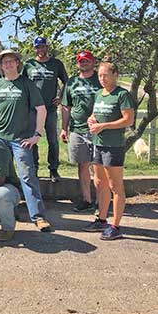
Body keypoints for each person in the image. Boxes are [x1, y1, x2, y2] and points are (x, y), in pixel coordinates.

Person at [0, 49, 52, 232]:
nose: (7, 65)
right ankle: (5, 211)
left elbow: (41, 109)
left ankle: (38, 217)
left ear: (17, 63)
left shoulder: (27, 84)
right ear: (0, 66)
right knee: (0, 177)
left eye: (11, 61)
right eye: (4, 62)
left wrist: (37, 135)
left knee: (27, 176)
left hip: (20, 140)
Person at [83, 58, 134, 240]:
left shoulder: (122, 95)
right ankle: (102, 219)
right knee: (99, 183)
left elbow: (128, 120)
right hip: (98, 143)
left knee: (115, 185)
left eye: (105, 75)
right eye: (99, 75)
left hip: (113, 146)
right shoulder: (99, 93)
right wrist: (92, 120)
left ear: (115, 75)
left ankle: (116, 225)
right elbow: (95, 113)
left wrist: (104, 126)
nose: (102, 78)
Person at [60, 50, 102, 212]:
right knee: (82, 165)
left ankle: (101, 200)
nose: (84, 63)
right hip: (77, 129)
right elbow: (66, 107)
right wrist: (64, 128)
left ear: (92, 62)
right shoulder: (72, 82)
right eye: (81, 61)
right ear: (77, 63)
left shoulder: (100, 79)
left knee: (99, 166)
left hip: (98, 130)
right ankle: (86, 199)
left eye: (87, 60)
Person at [23, 37, 68, 182]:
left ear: (47, 47)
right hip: (32, 109)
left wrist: (61, 97)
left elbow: (67, 82)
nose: (40, 50)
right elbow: (22, 83)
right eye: (37, 47)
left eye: (43, 47)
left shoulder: (56, 64)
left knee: (52, 140)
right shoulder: (29, 64)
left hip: (50, 108)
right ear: (34, 49)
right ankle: (34, 167)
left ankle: (53, 169)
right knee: (32, 139)